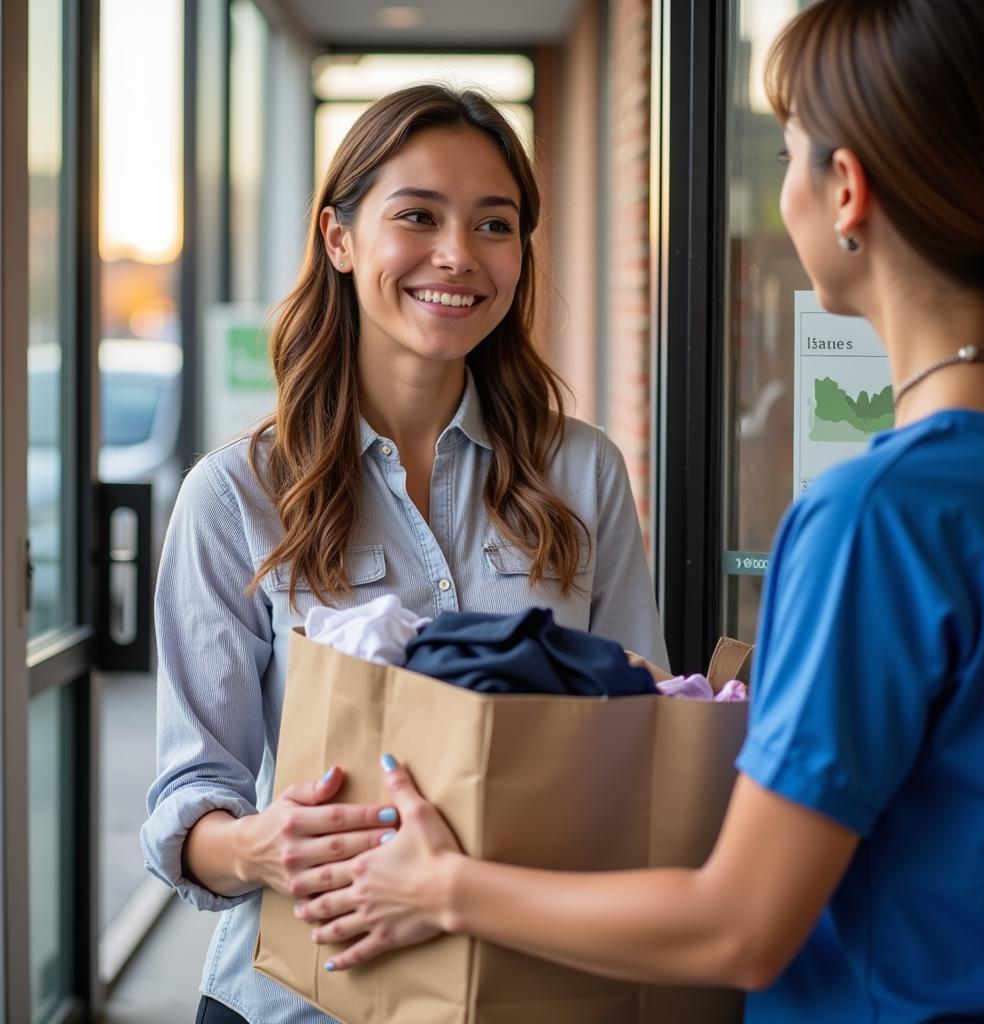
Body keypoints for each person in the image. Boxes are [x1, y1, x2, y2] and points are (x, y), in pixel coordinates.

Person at [303, 3, 984, 1020]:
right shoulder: (977, 483)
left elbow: (739, 924)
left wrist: (439, 885)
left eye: (786, 152)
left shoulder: (876, 516)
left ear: (846, 190)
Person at [141, 85, 668, 1024]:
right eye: (417, 215)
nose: (458, 255)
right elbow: (192, 802)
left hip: (529, 987)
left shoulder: (581, 474)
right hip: (304, 1001)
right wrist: (263, 846)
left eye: (494, 224)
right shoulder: (234, 497)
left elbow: (645, 732)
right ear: (339, 240)